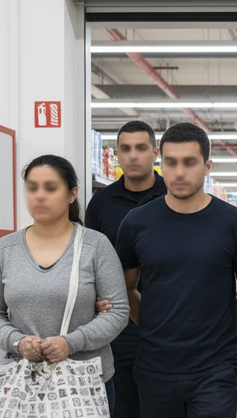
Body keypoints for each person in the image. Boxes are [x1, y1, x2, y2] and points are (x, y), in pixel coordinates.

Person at [116, 122, 237, 418]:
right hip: (154, 366)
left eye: (189, 162)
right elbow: (125, 287)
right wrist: (151, 324)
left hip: (215, 368)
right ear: (161, 164)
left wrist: (226, 330)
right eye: (170, 162)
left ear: (207, 166)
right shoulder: (136, 223)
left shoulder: (235, 223)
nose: (179, 172)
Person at [0, 154, 130, 415]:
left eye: (50, 188)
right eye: (32, 187)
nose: (39, 196)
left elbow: (118, 312)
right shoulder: (5, 249)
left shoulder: (96, 246)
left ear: (72, 195)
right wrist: (18, 342)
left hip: (86, 383)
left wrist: (72, 342)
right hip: (22, 382)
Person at [85, 120, 166, 418]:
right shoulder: (101, 202)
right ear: (117, 154)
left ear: (155, 153)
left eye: (141, 148)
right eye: (126, 148)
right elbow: (87, 259)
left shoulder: (174, 196)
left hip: (166, 320)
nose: (133, 155)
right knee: (123, 406)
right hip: (116, 325)